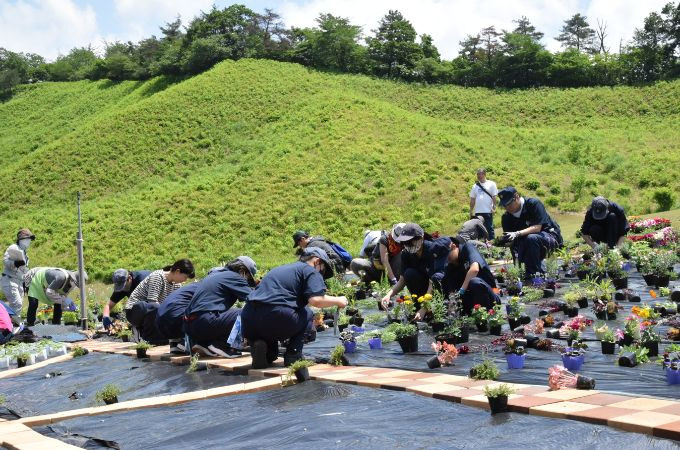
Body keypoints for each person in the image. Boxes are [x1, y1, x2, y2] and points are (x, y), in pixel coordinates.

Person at [242, 247, 348, 369]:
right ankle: (293, 355)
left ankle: (263, 350)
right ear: (317, 261)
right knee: (307, 313)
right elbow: (316, 300)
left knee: (271, 355)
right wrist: (339, 300)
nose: (321, 273)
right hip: (274, 316)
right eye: (323, 269)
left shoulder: (280, 269)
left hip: (248, 319)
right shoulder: (310, 270)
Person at [184, 256, 257, 358]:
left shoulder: (216, 275)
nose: (246, 281)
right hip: (204, 321)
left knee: (226, 314)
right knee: (245, 313)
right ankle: (225, 347)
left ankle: (205, 344)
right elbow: (255, 299)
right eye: (248, 277)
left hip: (188, 326)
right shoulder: (235, 277)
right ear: (242, 271)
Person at [380, 223, 451, 318]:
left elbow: (433, 281)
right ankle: (419, 306)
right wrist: (389, 295)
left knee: (436, 278)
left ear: (421, 238)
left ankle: (435, 308)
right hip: (423, 286)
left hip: (438, 286)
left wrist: (425, 307)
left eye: (411, 241)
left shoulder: (432, 249)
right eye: (405, 243)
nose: (408, 245)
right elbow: (402, 280)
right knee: (409, 273)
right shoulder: (406, 254)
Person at [499, 187, 563, 278]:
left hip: (549, 238)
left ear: (516, 197)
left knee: (531, 238)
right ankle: (531, 274)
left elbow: (537, 228)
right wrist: (518, 268)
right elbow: (512, 243)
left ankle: (535, 276)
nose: (507, 208)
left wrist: (517, 233)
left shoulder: (533, 204)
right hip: (528, 244)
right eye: (504, 205)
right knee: (522, 249)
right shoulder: (506, 218)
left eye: (509, 204)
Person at [125, 259, 194, 343]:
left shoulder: (177, 285)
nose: (185, 280)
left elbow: (176, 306)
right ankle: (146, 335)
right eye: (185, 277)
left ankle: (154, 336)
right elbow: (152, 301)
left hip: (152, 312)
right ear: (177, 271)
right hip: (134, 312)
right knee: (154, 306)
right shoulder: (158, 276)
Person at [444, 236, 500, 314]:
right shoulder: (450, 266)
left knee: (474, 282)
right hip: (472, 300)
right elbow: (451, 291)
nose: (445, 259)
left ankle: (486, 318)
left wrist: (461, 291)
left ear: (453, 246)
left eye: (446, 254)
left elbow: (474, 270)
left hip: (491, 296)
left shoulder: (467, 248)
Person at [2, 229, 35, 325]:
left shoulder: (25, 254)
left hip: (19, 282)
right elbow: (5, 261)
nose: (29, 242)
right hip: (9, 280)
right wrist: (15, 263)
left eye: (29, 240)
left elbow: (24, 270)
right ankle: (13, 327)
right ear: (21, 239)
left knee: (18, 306)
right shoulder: (13, 248)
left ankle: (11, 326)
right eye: (27, 239)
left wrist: (27, 281)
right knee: (17, 304)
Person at [155, 282, 199, 354]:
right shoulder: (206, 288)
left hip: (159, 323)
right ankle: (185, 343)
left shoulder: (189, 287)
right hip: (176, 320)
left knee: (178, 309)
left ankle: (175, 344)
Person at [469, 168, 498, 240]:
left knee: (489, 228)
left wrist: (494, 207)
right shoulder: (475, 186)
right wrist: (471, 210)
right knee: (479, 229)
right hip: (478, 212)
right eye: (477, 174)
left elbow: (494, 197)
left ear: (484, 174)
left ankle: (492, 245)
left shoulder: (491, 184)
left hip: (488, 210)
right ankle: (482, 245)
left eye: (480, 174)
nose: (479, 176)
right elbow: (472, 199)